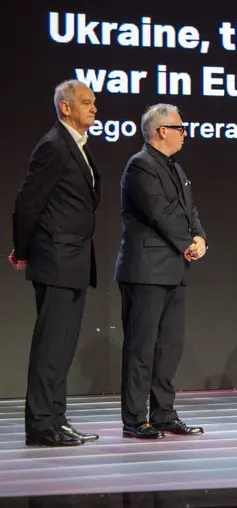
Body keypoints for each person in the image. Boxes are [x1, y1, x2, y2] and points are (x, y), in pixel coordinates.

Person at [10, 80, 102, 447]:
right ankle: (41, 425)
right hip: (56, 258)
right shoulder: (53, 146)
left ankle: (57, 419)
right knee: (50, 346)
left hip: (73, 259)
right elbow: (28, 202)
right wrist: (23, 249)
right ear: (65, 108)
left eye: (94, 102)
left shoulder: (74, 146)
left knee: (62, 346)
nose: (94, 108)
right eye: (86, 102)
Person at [115, 103, 208, 439]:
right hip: (146, 271)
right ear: (161, 130)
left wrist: (199, 237)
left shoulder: (175, 169)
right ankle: (135, 418)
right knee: (141, 347)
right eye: (180, 128)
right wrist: (187, 241)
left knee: (169, 346)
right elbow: (160, 213)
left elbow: (189, 209)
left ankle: (164, 413)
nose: (185, 133)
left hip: (173, 269)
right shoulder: (140, 166)